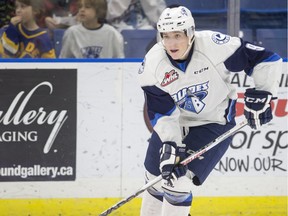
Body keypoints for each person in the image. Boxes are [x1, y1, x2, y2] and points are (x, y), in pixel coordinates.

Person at [138, 6, 282, 216]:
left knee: (178, 183)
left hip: (214, 123)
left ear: (190, 32)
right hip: (176, 123)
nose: (171, 43)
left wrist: (264, 93)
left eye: (177, 35)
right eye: (166, 36)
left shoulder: (214, 46)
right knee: (154, 179)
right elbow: (162, 112)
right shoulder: (152, 64)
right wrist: (171, 143)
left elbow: (266, 59)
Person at [59, 0, 124, 58]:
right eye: (80, 7)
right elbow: (64, 60)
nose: (82, 10)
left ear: (99, 10)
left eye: (87, 7)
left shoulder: (112, 33)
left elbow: (120, 62)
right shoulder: (72, 32)